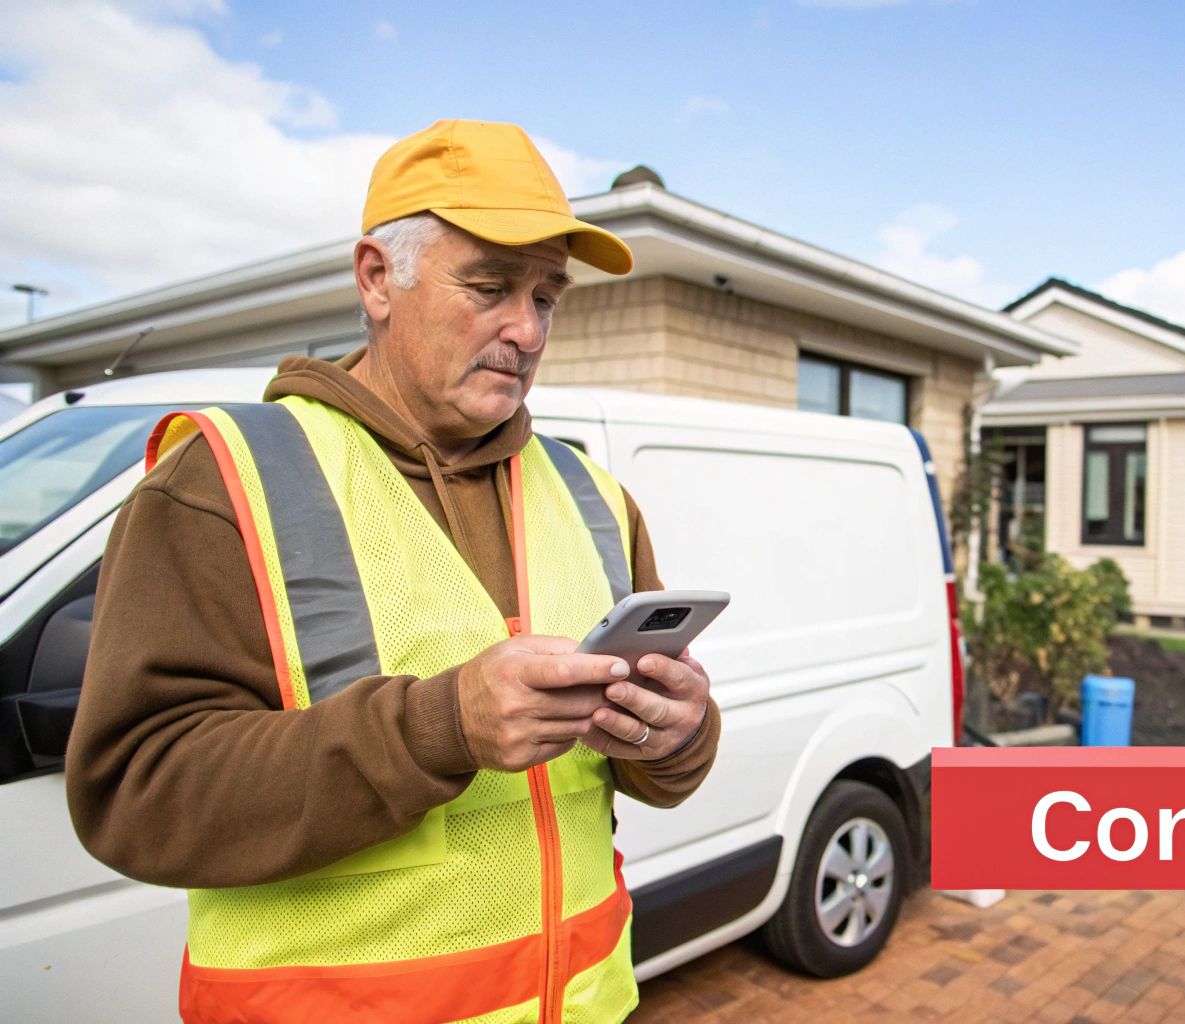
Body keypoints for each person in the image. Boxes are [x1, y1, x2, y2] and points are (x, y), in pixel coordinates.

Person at [65, 119, 719, 1023]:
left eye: (547, 297)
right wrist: (437, 727)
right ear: (377, 277)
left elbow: (653, 777)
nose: (524, 330)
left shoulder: (593, 494)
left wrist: (676, 735)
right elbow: (135, 794)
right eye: (488, 286)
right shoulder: (221, 484)